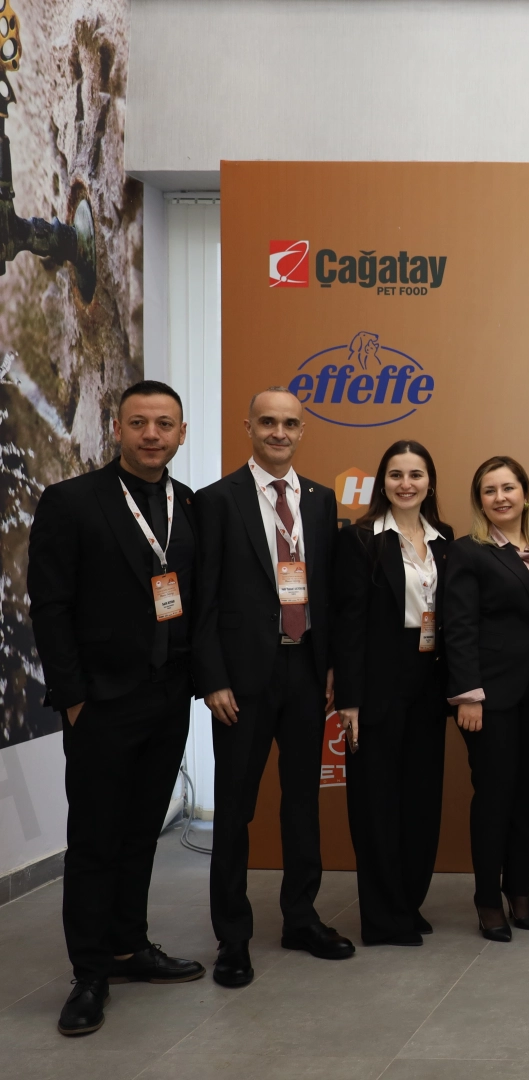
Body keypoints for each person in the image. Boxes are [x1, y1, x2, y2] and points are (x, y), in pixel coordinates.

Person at [27, 381, 206, 1037]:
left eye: (164, 424)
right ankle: (89, 972)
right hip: (101, 702)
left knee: (140, 832)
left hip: (168, 697)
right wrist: (73, 697)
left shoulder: (189, 505)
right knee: (96, 840)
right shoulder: (72, 501)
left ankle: (130, 947)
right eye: (139, 423)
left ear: (181, 433)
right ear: (116, 428)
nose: (152, 434)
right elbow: (50, 606)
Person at [194, 387, 351, 988]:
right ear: (249, 428)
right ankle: (232, 937)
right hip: (241, 682)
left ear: (302, 430)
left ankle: (301, 918)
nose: (279, 432)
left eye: (289, 423)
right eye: (268, 422)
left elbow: (327, 593)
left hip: (306, 672)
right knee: (235, 808)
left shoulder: (320, 499)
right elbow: (203, 599)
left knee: (302, 802)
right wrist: (212, 678)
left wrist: (331, 665)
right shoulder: (217, 500)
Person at [443, 456, 529, 941]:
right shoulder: (468, 552)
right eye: (489, 490)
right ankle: (488, 898)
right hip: (488, 697)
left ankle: (519, 891)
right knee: (494, 796)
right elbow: (459, 626)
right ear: (479, 501)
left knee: (527, 795)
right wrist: (468, 694)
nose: (500, 497)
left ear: (525, 494)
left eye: (508, 487)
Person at [332, 440, 455, 947]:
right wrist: (350, 700)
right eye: (397, 474)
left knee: (421, 799)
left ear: (430, 482)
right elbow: (348, 623)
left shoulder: (444, 539)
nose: (407, 484)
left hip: (429, 681)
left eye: (416, 474)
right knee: (376, 801)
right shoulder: (360, 539)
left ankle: (407, 902)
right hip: (377, 682)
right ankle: (382, 918)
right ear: (382, 482)